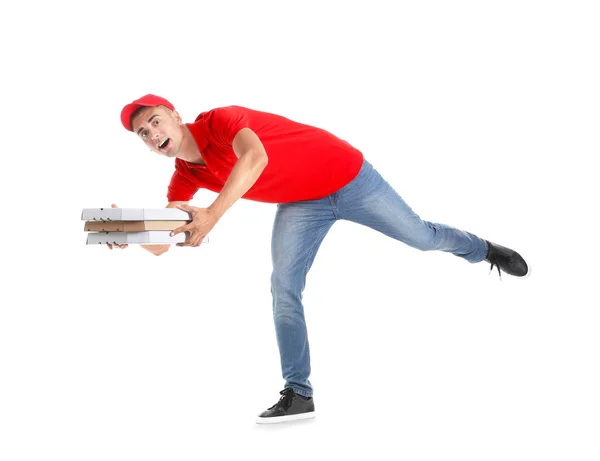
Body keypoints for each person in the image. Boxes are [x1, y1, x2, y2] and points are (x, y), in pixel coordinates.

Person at [113, 94, 529, 424]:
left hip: (350, 178)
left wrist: (213, 215)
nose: (151, 133)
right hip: (300, 205)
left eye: (154, 121)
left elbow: (255, 157)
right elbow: (165, 240)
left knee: (421, 236)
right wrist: (126, 232)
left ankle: (484, 250)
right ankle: (298, 393)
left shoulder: (222, 120)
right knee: (283, 287)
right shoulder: (185, 177)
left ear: (175, 115)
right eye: (142, 134)